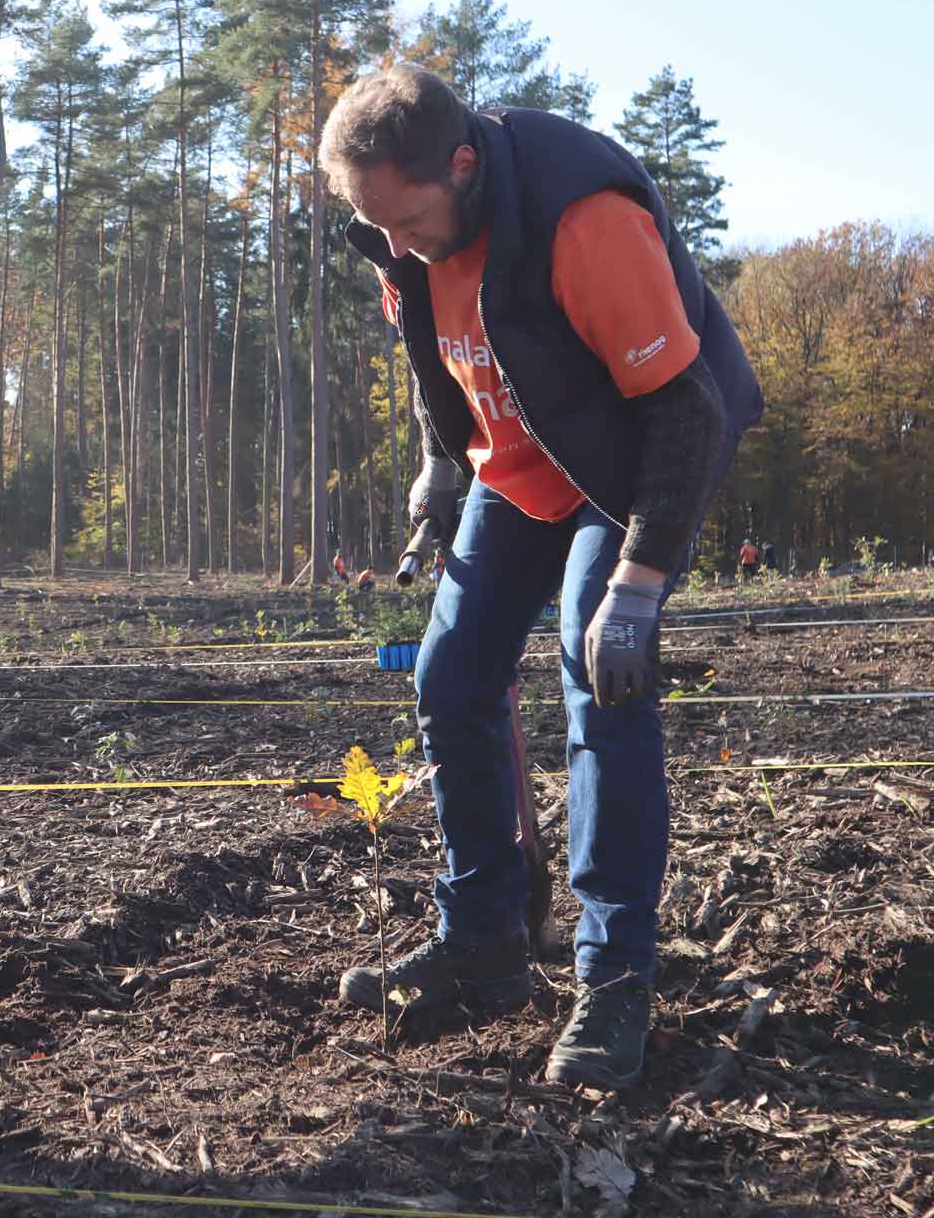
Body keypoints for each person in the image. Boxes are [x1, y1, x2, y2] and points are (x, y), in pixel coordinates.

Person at [323, 65, 761, 1089]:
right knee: (450, 674)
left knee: (596, 676)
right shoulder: (402, 232)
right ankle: (483, 944)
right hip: (517, 464)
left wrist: (640, 589)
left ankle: (614, 982)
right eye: (374, 224)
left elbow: (686, 413)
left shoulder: (584, 221)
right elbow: (435, 352)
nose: (394, 246)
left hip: (628, 457)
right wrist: (440, 461)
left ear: (463, 165)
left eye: (407, 221)